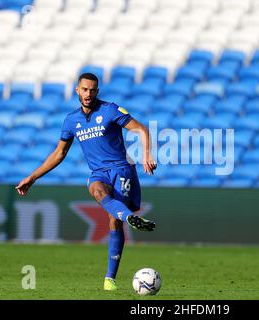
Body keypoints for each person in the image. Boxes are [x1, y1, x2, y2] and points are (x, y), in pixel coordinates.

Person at [15, 72, 157, 291]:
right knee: (96, 190)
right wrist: (32, 177)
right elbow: (59, 154)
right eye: (84, 89)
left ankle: (110, 276)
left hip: (122, 169)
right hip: (99, 172)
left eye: (92, 90)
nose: (88, 94)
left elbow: (141, 129)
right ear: (77, 90)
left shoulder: (110, 110)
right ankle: (130, 218)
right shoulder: (71, 120)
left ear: (97, 91)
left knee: (113, 221)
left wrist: (147, 154)